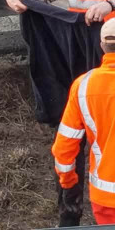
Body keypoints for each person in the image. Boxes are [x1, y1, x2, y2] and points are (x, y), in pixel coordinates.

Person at [4, 0, 115, 225]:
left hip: (109, 53)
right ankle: (69, 211)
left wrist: (110, 5)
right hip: (77, 47)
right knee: (71, 132)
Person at [53, 18, 115, 227]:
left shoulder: (83, 86)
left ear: (102, 47)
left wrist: (69, 183)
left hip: (106, 197)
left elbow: (64, 147)